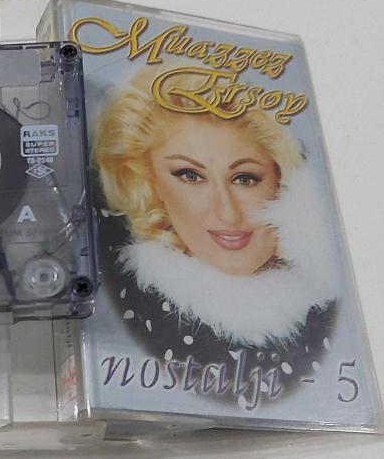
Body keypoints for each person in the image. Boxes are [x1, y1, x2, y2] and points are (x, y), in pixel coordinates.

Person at [92, 66, 339, 408]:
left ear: (283, 181)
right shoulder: (129, 306)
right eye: (190, 176)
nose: (227, 213)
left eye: (245, 178)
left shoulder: (331, 303)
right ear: (149, 183)